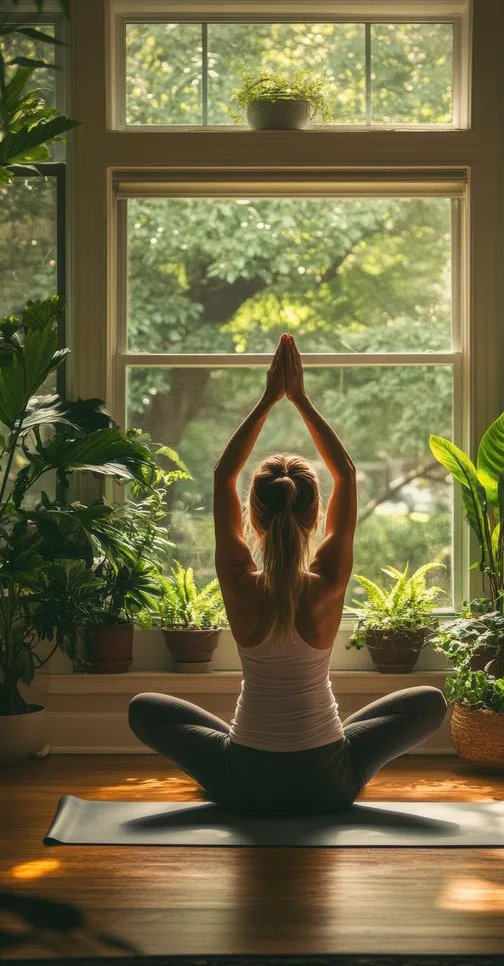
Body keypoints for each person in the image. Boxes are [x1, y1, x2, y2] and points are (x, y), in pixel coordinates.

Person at [129, 335, 447, 815]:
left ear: (251, 518)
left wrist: (267, 400)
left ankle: (225, 774)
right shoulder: (329, 582)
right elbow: (346, 473)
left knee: (144, 708)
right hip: (327, 783)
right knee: (429, 700)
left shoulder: (238, 581)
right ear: (315, 515)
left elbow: (222, 475)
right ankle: (344, 774)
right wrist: (300, 399)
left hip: (242, 781)